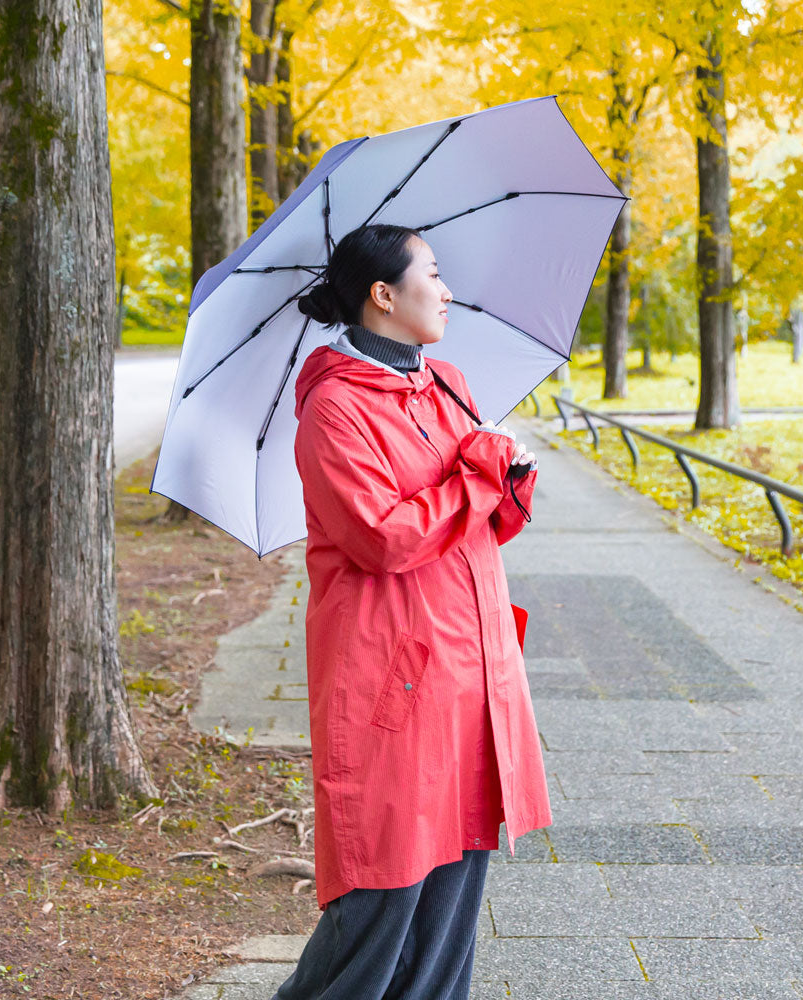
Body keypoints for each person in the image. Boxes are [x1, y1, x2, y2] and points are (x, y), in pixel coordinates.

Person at [273, 223, 551, 1000]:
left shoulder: (448, 382)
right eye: (434, 273)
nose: (450, 290)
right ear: (384, 295)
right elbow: (381, 538)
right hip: (393, 685)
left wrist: (510, 478)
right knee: (377, 912)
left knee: (451, 906)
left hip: (473, 673)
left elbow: (484, 522)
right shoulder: (333, 410)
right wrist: (476, 479)